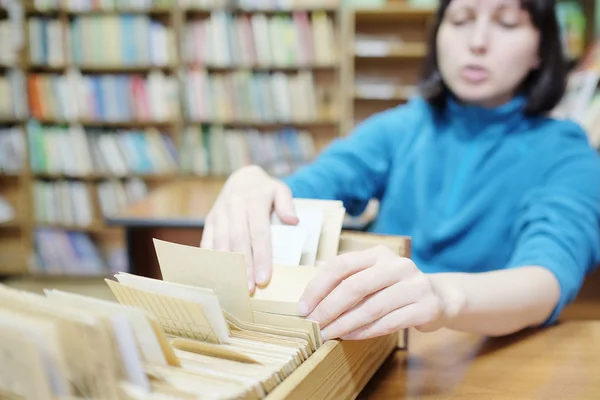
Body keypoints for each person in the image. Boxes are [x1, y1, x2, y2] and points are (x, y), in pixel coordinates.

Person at [200, 0, 600, 341]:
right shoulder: (402, 127)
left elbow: (547, 278)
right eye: (460, 20)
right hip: (373, 344)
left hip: (479, 357)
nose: (477, 43)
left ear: (541, 51)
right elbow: (314, 186)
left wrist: (442, 296)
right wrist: (260, 185)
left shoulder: (567, 154)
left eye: (507, 23)